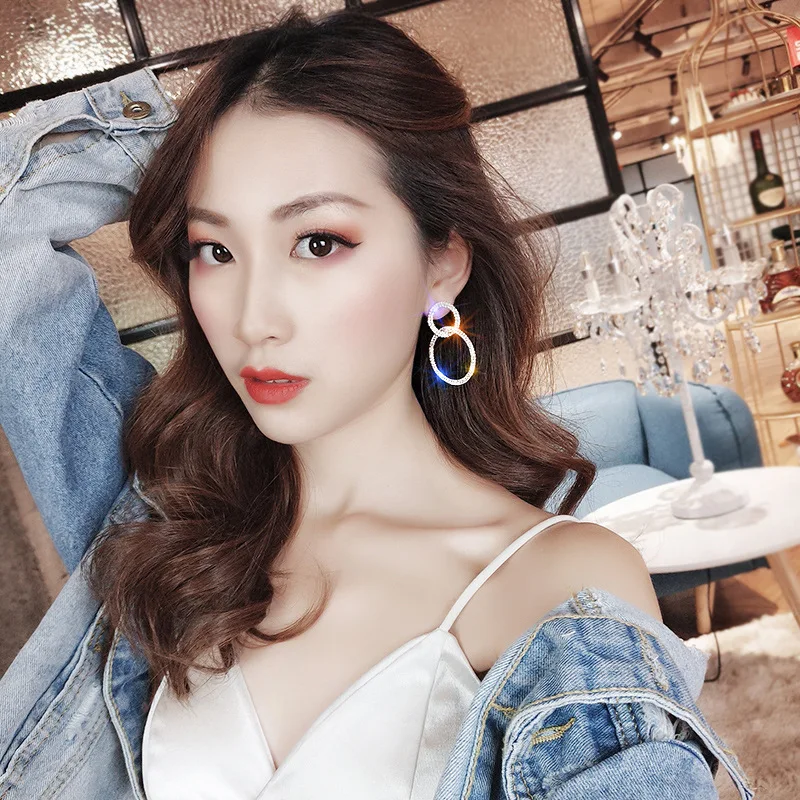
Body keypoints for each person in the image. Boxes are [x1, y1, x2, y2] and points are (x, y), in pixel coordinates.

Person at [0, 7, 752, 800]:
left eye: (319, 242)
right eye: (215, 249)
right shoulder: (163, 524)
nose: (254, 319)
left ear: (441, 264)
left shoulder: (560, 583)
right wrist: (164, 135)